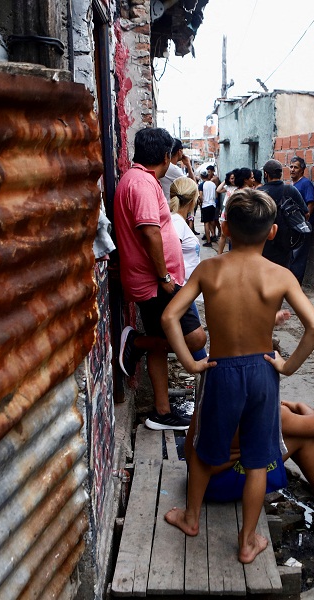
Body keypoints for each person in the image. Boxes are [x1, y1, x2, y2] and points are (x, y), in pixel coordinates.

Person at [162, 188, 314, 563]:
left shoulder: (208, 269)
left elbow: (170, 316)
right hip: (263, 371)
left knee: (205, 451)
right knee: (258, 460)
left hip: (220, 371)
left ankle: (190, 518)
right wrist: (287, 365)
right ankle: (247, 541)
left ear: (225, 227)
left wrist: (190, 363)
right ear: (272, 232)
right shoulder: (280, 275)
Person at [113, 127, 208, 431]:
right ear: (167, 156)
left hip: (156, 281)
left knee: (162, 343)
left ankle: (162, 412)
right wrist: (164, 275)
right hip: (157, 283)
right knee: (195, 339)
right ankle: (137, 342)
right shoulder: (141, 183)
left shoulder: (140, 179)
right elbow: (149, 231)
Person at [182, 398, 314, 525]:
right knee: (303, 438)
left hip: (198, 481)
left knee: (276, 433)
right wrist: (298, 405)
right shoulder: (267, 408)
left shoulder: (216, 391)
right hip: (219, 485)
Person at [258, 158, 308, 271]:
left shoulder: (259, 193)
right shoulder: (291, 190)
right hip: (285, 243)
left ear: (265, 174)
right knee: (282, 274)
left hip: (262, 243)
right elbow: (305, 214)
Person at [288, 156, 314, 284]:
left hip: (302, 227)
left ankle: (295, 285)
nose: (292, 170)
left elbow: (311, 203)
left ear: (302, 170)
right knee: (292, 255)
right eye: (291, 167)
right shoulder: (292, 184)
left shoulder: (306, 184)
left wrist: (304, 222)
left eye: (296, 167)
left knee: (299, 256)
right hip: (293, 226)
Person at [168, 177, 202, 280]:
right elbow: (169, 257)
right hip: (183, 286)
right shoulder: (176, 221)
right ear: (193, 201)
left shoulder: (178, 220)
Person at [198, 171, 218, 247]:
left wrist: (201, 202)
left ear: (202, 177)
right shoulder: (213, 184)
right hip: (212, 205)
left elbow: (200, 196)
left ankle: (208, 241)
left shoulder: (202, 185)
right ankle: (213, 235)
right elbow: (216, 195)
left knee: (206, 223)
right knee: (211, 221)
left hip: (205, 205)